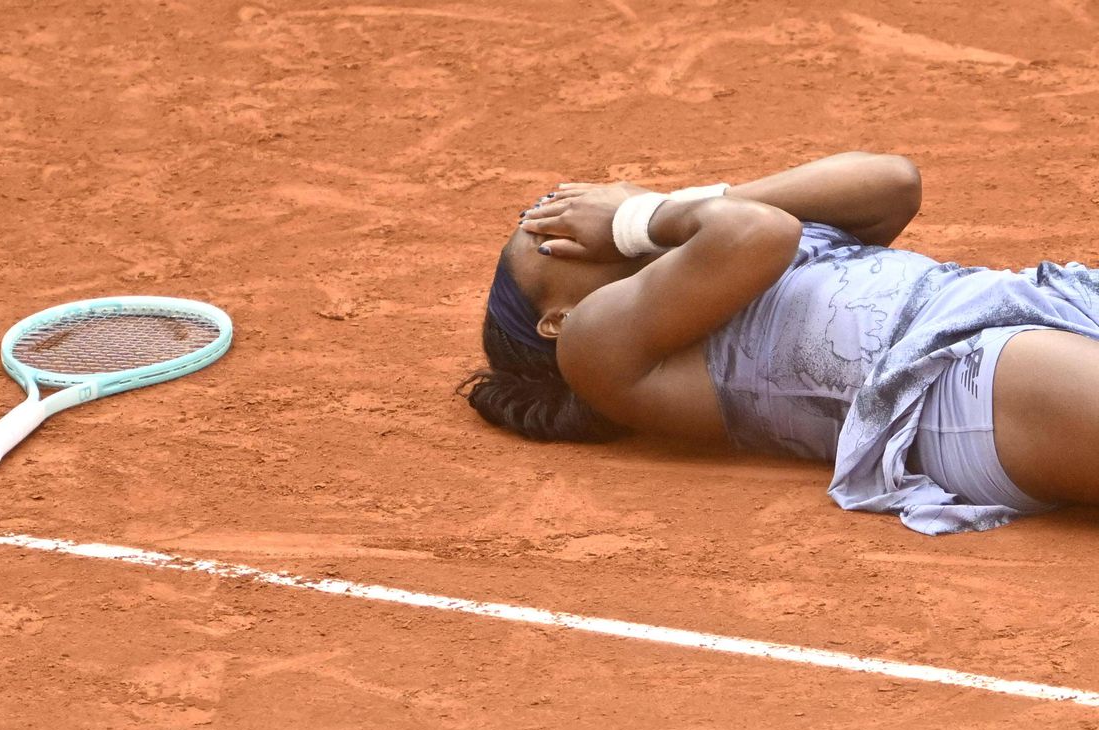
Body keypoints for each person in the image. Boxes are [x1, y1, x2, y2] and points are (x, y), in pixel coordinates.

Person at [459, 152, 1099, 534]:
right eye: (545, 236)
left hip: (1029, 298)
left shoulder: (696, 234)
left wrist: (659, 213)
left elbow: (892, 181)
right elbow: (756, 234)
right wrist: (634, 220)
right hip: (952, 387)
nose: (564, 214)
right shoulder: (596, 353)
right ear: (556, 319)